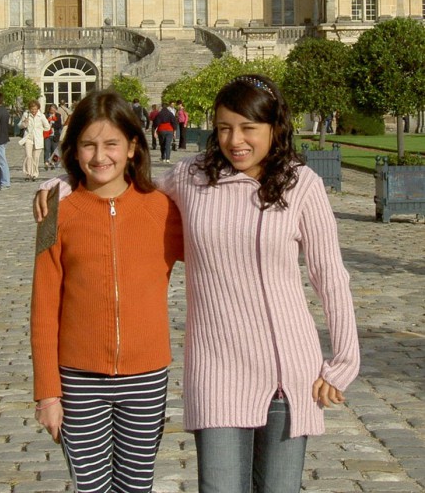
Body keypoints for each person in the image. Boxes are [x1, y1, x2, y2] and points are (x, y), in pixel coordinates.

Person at [35, 75, 360, 493]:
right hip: (219, 368)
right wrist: (59, 185)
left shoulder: (303, 186)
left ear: (274, 128)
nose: (235, 140)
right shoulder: (191, 177)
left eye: (248, 128)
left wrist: (345, 360)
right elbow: (124, 188)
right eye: (224, 128)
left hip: (288, 369)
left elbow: (331, 277)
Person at [30, 90, 183, 493]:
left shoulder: (163, 209)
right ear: (74, 149)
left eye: (111, 144)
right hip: (79, 380)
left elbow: (220, 252)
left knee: (136, 486)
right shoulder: (57, 211)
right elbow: (44, 306)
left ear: (133, 147)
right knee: (91, 488)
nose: (101, 156)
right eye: (89, 145)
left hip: (146, 376)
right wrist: (48, 393)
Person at [19, 100, 51, 181]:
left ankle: (34, 174)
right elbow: (19, 125)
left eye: (35, 109)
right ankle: (27, 173)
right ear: (29, 109)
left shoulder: (41, 116)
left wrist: (40, 131)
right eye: (32, 109)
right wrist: (24, 123)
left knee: (35, 158)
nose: (33, 111)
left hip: (38, 139)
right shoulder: (26, 115)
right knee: (28, 156)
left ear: (38, 109)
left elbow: (47, 127)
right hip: (28, 138)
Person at [43, 104, 62, 170]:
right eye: (51, 109)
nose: (52, 110)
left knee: (54, 150)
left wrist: (52, 123)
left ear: (56, 109)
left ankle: (53, 163)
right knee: (47, 149)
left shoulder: (58, 115)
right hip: (47, 135)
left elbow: (59, 125)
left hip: (55, 135)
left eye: (54, 109)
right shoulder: (45, 115)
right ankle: (46, 162)